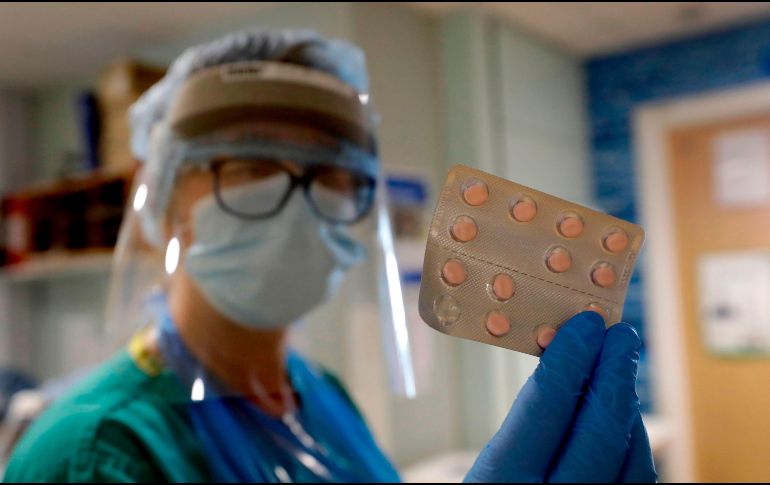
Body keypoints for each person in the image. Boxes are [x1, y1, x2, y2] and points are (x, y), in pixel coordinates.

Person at [2, 29, 656, 483]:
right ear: (161, 200)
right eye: (252, 163)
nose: (300, 204)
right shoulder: (94, 452)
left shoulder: (323, 398)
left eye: (333, 177)